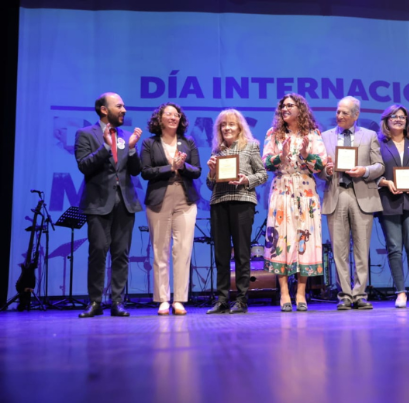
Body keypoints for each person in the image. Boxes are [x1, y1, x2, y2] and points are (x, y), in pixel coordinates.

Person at [75, 93, 143, 318]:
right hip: (98, 203)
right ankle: (95, 302)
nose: (124, 110)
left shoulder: (126, 136)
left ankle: (117, 302)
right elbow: (84, 166)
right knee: (97, 252)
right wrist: (105, 146)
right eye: (119, 106)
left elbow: (135, 170)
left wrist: (131, 149)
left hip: (125, 203)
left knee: (121, 254)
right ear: (104, 110)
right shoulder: (85, 134)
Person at [317, 96, 384, 310]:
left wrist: (364, 170)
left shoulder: (369, 135)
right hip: (336, 193)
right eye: (338, 111)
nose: (340, 115)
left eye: (345, 112)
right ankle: (345, 295)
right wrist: (326, 171)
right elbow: (319, 170)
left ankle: (360, 294)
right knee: (339, 250)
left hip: (361, 194)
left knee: (362, 249)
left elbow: (379, 166)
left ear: (356, 115)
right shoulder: (325, 137)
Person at [262, 93, 328, 312]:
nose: (285, 109)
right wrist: (279, 157)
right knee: (281, 240)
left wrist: (306, 154)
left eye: (290, 105)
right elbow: (265, 163)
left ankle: (300, 293)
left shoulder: (313, 134)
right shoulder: (273, 134)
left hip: (306, 191)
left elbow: (321, 165)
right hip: (282, 189)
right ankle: (284, 293)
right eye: (283, 106)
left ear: (300, 109)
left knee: (304, 239)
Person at [139, 102, 201, 315]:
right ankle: (163, 300)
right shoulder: (149, 143)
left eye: (177, 115)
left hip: (185, 200)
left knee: (182, 250)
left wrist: (183, 167)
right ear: (160, 119)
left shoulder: (188, 141)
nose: (174, 117)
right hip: (159, 200)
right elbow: (145, 172)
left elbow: (197, 170)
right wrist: (170, 167)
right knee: (160, 250)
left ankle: (179, 299)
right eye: (169, 114)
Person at [205, 109, 267, 314]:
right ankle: (222, 300)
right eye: (223, 125)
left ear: (239, 127)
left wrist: (246, 180)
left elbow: (263, 174)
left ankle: (241, 300)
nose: (227, 128)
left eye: (231, 124)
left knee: (241, 253)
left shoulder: (251, 146)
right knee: (221, 254)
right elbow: (209, 184)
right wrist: (212, 172)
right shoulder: (217, 151)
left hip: (243, 201)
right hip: (219, 202)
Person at [373, 104, 409, 308]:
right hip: (389, 200)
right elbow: (373, 172)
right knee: (394, 248)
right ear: (386, 121)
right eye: (394, 116)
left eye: (402, 117)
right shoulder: (378, 145)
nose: (398, 119)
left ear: (407, 121)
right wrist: (385, 182)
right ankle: (400, 292)